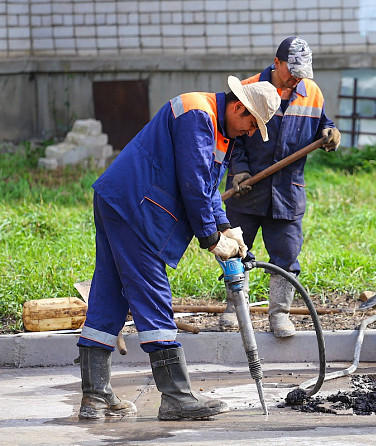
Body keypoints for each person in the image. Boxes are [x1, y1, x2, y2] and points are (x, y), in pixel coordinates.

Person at [76, 77, 281, 420]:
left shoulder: (217, 126)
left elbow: (207, 185)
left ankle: (95, 396)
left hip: (121, 199)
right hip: (136, 206)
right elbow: (192, 184)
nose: (249, 132)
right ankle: (176, 397)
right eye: (250, 123)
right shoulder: (198, 116)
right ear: (239, 107)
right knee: (153, 294)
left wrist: (226, 227)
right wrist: (213, 240)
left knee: (111, 293)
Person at [219, 36, 341, 337]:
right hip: (247, 190)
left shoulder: (311, 92)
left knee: (286, 256)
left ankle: (280, 315)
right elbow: (231, 136)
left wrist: (330, 132)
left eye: (302, 71)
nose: (296, 76)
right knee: (235, 251)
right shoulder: (248, 90)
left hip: (287, 193)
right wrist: (240, 172)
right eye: (291, 70)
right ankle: (234, 308)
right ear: (276, 63)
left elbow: (323, 123)